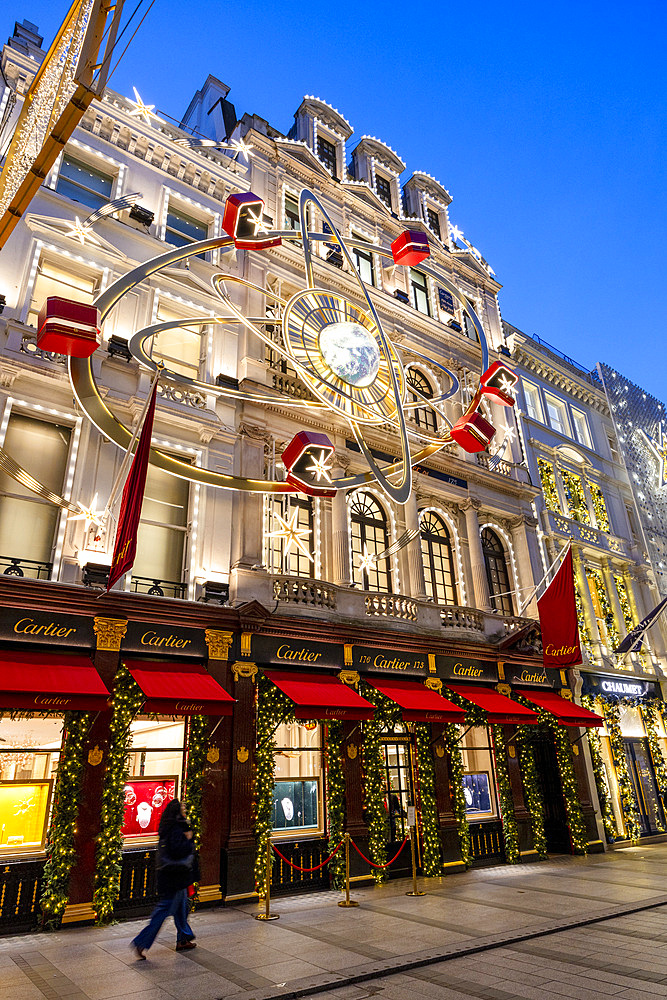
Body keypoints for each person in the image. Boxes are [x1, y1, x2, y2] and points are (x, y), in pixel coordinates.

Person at [131, 799, 198, 959]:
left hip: (174, 874)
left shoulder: (170, 825)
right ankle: (142, 941)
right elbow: (178, 850)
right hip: (174, 875)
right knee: (164, 909)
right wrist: (189, 840)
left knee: (181, 906)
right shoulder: (176, 828)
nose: (185, 810)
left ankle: (183, 938)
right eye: (182, 807)